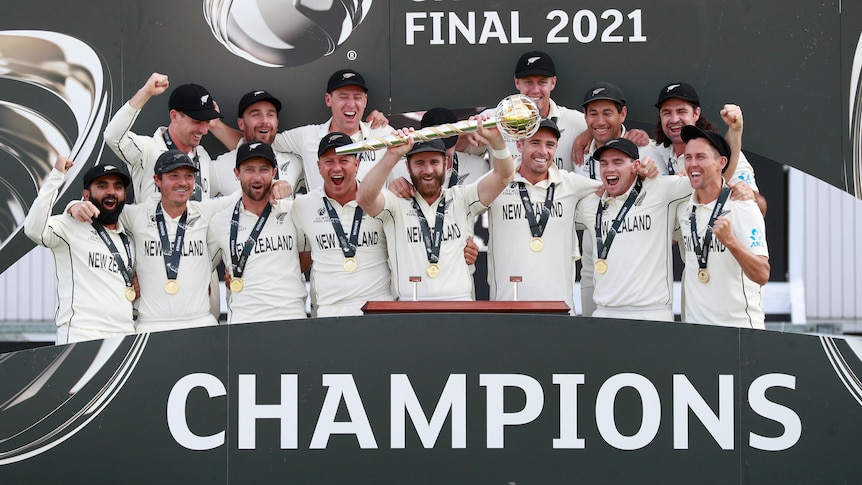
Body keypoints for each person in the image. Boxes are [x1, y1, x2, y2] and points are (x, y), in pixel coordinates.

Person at [68, 151, 241, 333]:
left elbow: (247, 195)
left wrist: (275, 185)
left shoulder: (205, 211)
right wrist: (73, 205)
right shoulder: (135, 214)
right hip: (150, 327)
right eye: (174, 176)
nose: (182, 182)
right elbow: (102, 205)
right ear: (157, 180)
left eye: (188, 176)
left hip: (200, 323)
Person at [356, 119, 515, 301]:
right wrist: (391, 156)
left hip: (458, 305)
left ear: (445, 163)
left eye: (434, 162)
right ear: (407, 166)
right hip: (409, 307)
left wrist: (497, 141)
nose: (428, 170)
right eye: (420, 163)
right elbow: (364, 198)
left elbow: (505, 176)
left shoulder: (462, 198)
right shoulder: (395, 203)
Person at [485, 118, 601, 312]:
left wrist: (642, 171)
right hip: (506, 311)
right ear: (520, 145)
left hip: (559, 311)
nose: (543, 151)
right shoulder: (497, 182)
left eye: (550, 145)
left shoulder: (570, 183)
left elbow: (614, 186)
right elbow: (461, 203)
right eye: (535, 143)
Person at [214, 69, 397, 191]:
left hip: (373, 241)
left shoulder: (382, 132)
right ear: (328, 99)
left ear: (365, 101)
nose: (351, 104)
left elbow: (416, 164)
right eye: (342, 96)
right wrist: (215, 125)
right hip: (324, 238)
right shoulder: (307, 136)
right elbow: (258, 140)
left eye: (357, 97)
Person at [576, 138, 692, 322]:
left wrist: (742, 187)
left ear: (636, 165)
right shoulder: (590, 204)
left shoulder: (661, 189)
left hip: (653, 314)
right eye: (604, 163)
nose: (609, 169)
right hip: (604, 314)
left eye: (618, 162)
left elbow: (709, 178)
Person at [24, 158, 136, 343]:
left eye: (118, 187)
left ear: (124, 194)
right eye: (102, 185)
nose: (111, 192)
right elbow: (33, 229)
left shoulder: (128, 238)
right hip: (82, 333)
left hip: (125, 335)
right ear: (86, 194)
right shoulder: (70, 225)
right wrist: (56, 178)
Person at [676, 124, 769, 328]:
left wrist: (731, 242)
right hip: (696, 330)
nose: (692, 164)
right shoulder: (683, 208)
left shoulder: (742, 206)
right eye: (688, 157)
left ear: (721, 163)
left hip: (739, 330)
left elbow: (762, 274)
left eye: (701, 157)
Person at [293, 133, 393, 316]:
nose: (336, 168)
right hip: (330, 313)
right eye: (329, 161)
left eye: (344, 160)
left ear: (357, 164)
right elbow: (299, 260)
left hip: (378, 308)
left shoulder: (383, 200)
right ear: (319, 166)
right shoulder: (302, 205)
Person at [208, 142, 307, 323]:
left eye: (263, 170)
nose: (257, 177)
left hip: (291, 317)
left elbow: (311, 253)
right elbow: (200, 268)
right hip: (243, 321)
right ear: (236, 173)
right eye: (249, 170)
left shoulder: (293, 211)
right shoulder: (220, 221)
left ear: (274, 172)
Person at [640, 82, 767, 214]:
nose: (674, 119)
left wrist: (750, 197)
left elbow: (760, 209)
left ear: (696, 113)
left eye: (681, 111)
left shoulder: (726, 154)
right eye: (667, 113)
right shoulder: (653, 150)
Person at [103, 73, 226, 201]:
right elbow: (113, 136)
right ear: (174, 116)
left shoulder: (202, 155)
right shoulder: (146, 150)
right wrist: (146, 92)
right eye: (197, 121)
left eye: (207, 122)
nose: (204, 130)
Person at [209, 90, 304, 196]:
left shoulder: (296, 162)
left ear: (277, 123)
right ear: (241, 124)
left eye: (270, 115)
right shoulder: (217, 167)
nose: (264, 121)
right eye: (256, 115)